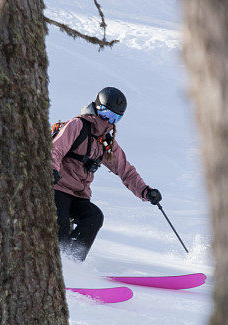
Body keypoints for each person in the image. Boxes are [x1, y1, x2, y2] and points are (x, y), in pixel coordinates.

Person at [52, 87, 162, 261]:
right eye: (106, 114)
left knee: (94, 217)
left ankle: (72, 262)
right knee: (61, 223)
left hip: (79, 196)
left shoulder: (106, 142)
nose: (109, 121)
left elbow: (126, 171)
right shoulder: (77, 125)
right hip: (57, 188)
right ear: (97, 107)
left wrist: (146, 191)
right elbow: (56, 148)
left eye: (115, 118)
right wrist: (51, 169)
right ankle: (54, 263)